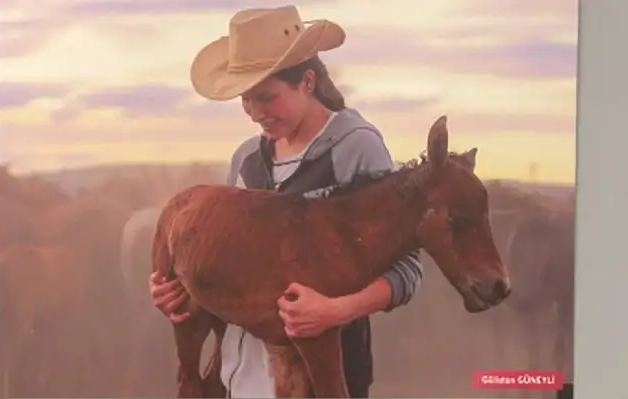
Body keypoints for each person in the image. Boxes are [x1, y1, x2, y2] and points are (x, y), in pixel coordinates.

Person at [148, 5, 424, 398]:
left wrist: (336, 310)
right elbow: (233, 270)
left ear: (307, 81)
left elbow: (408, 268)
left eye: (267, 98)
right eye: (246, 100)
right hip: (239, 381)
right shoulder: (245, 160)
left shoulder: (356, 148)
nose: (255, 113)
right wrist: (181, 291)